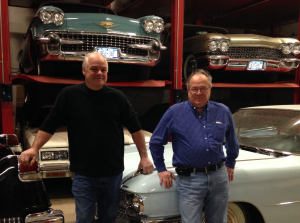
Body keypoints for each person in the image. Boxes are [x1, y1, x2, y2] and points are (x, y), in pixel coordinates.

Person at [19, 52, 154, 223]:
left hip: (113, 173)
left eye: (103, 70)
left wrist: (144, 157)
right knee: (84, 218)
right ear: (84, 70)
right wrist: (34, 148)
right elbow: (50, 124)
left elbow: (135, 128)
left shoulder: (117, 98)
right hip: (84, 174)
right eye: (94, 69)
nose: (99, 73)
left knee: (109, 218)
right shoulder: (70, 95)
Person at [149, 69, 239, 223]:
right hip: (190, 180)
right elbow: (156, 141)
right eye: (194, 89)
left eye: (203, 88)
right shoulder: (174, 113)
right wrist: (161, 169)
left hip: (219, 178)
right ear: (188, 90)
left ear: (210, 89)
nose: (198, 92)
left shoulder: (222, 111)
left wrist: (230, 163)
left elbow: (232, 140)